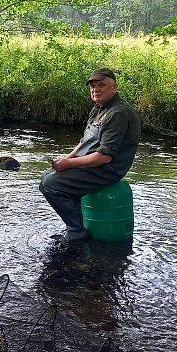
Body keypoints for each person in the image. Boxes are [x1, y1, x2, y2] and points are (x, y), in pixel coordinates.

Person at [39, 68, 141, 241]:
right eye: (93, 86)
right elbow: (84, 141)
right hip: (93, 163)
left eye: (102, 85)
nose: (96, 89)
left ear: (114, 88)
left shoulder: (118, 113)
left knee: (51, 184)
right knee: (47, 177)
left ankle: (76, 230)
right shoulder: (98, 108)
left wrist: (68, 165)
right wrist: (67, 159)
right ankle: (79, 223)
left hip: (108, 169)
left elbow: (105, 157)